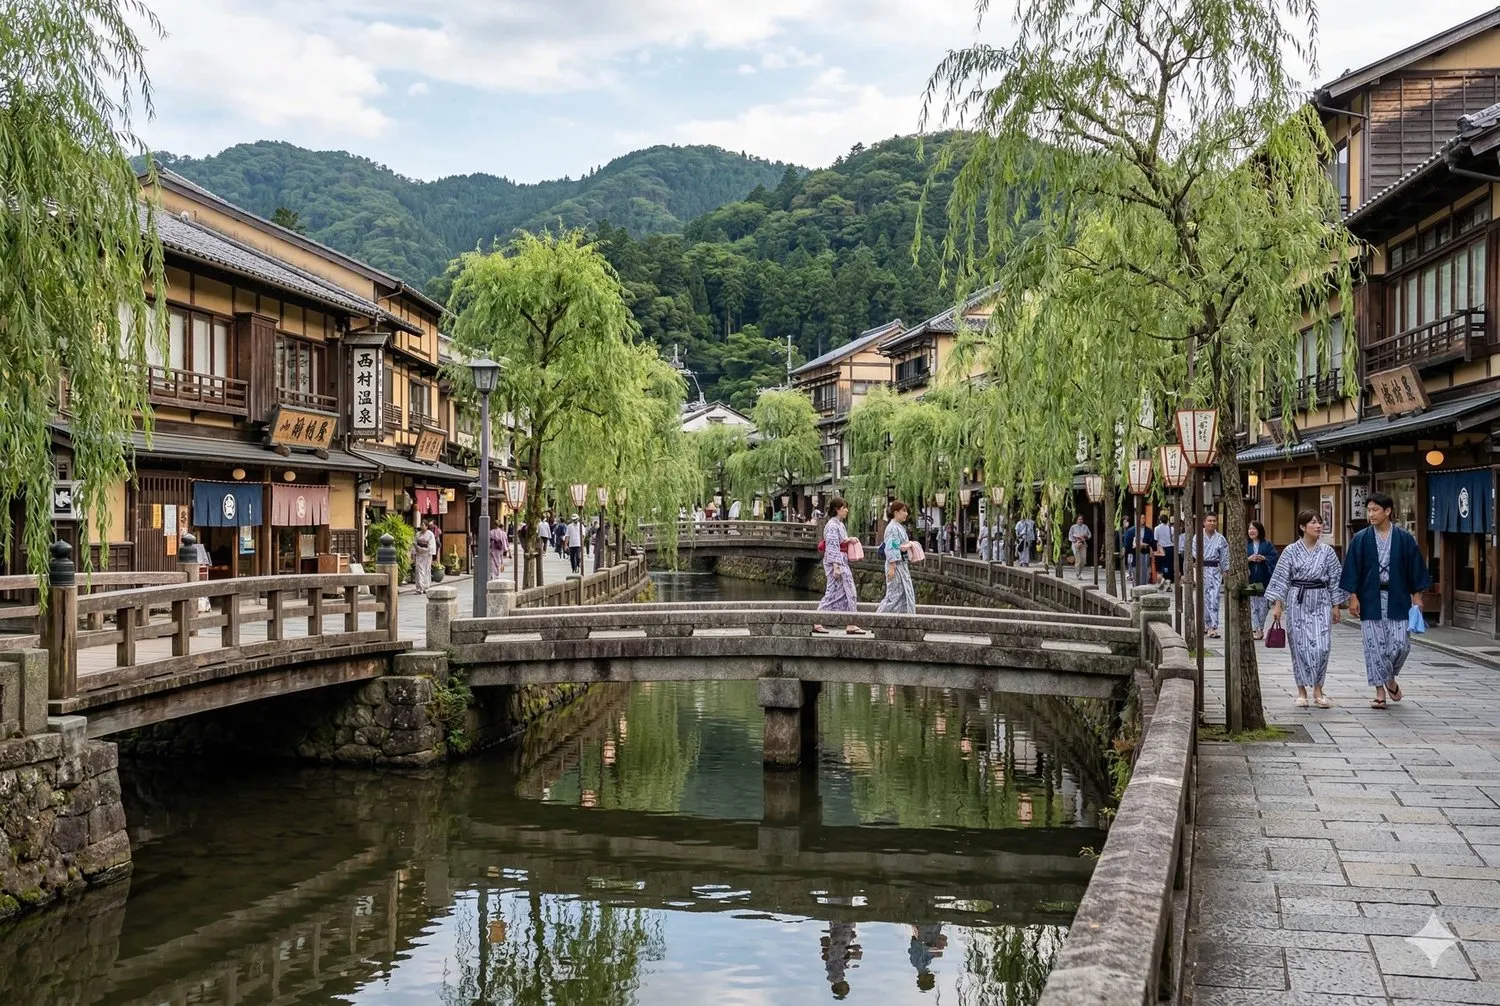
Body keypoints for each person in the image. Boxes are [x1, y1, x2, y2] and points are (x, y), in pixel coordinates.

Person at [1340, 492, 1430, 709]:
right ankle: (1380, 693)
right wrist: (1353, 597)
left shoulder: (1404, 538)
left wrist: (1417, 597)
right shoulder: (1361, 538)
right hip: (1370, 598)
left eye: (1375, 510)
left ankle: (1389, 679)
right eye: (1368, 510)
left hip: (1397, 596)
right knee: (1374, 647)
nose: (1370, 514)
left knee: (1401, 645)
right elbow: (1352, 569)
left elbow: (1415, 569)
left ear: (1388, 511)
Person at [1265, 509, 1345, 709]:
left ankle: (1318, 689)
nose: (1318, 526)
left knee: (1322, 647)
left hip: (1321, 599)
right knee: (1299, 647)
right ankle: (1301, 691)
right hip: (1297, 600)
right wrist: (1278, 606)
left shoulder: (1327, 552)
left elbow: (1335, 579)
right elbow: (1282, 579)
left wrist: (1336, 606)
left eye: (1319, 522)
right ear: (1302, 526)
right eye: (1313, 522)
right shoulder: (1290, 551)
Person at [813, 498, 863, 635]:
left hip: (842, 560)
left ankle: (851, 622)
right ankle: (817, 620)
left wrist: (848, 540)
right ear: (837, 509)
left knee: (848, 592)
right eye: (844, 508)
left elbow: (840, 542)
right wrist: (836, 566)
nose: (846, 510)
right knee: (834, 591)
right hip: (836, 562)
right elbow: (832, 547)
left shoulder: (839, 525)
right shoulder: (832, 526)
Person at [1189, 515, 1229, 637]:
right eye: (1209, 521)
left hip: (1215, 569)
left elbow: (1224, 556)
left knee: (1214, 598)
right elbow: (1195, 553)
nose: (1212, 523)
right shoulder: (1197, 537)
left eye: (1214, 521)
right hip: (1202, 569)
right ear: (1204, 522)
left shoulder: (1221, 539)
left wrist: (1225, 570)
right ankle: (1204, 624)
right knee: (1202, 598)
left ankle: (1212, 626)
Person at [877, 500, 916, 614]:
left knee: (903, 593)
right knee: (894, 594)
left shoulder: (899, 527)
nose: (906, 514)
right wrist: (892, 567)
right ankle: (879, 617)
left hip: (901, 564)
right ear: (896, 512)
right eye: (903, 511)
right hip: (895, 565)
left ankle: (901, 619)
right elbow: (891, 548)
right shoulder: (892, 528)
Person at [1246, 521, 1279, 639]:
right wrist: (1249, 559)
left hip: (1264, 579)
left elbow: (1274, 558)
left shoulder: (1267, 544)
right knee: (1253, 605)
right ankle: (1257, 629)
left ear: (1259, 530)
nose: (1251, 531)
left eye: (1254, 529)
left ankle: (1260, 626)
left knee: (1264, 606)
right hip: (1251, 580)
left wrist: (1264, 558)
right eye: (1250, 529)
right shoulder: (1246, 545)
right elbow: (1239, 561)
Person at [1123, 514, 1155, 586]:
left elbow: (1152, 543)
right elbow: (1127, 544)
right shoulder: (1131, 531)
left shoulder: (1149, 531)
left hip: (1145, 554)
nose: (1143, 520)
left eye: (1144, 518)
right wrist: (1135, 546)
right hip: (1134, 554)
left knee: (1145, 572)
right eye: (1141, 518)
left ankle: (1144, 586)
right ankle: (1136, 587)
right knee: (1135, 572)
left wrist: (1146, 545)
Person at [412, 520, 437, 594]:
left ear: (427, 526)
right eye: (421, 525)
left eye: (423, 525)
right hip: (419, 554)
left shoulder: (430, 534)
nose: (421, 526)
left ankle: (426, 587)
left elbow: (431, 545)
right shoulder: (418, 534)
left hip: (426, 555)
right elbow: (414, 542)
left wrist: (426, 549)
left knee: (426, 570)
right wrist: (416, 549)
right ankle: (419, 588)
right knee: (418, 570)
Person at [1068, 514, 1092, 579]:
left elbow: (1089, 535)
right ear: (1076, 520)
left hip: (1083, 543)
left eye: (1081, 519)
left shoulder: (1085, 527)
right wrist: (1075, 540)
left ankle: (1079, 572)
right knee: (1078, 559)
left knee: (1083, 560)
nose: (1080, 520)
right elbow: (1070, 536)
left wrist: (1085, 537)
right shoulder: (1073, 527)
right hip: (1075, 544)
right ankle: (1078, 574)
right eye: (1079, 519)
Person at [1154, 513, 1175, 584]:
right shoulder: (1171, 528)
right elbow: (1173, 539)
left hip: (1161, 548)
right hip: (1170, 547)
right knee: (1169, 564)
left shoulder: (1157, 528)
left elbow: (1156, 539)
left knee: (1160, 565)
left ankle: (1161, 579)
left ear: (1160, 520)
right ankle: (1169, 578)